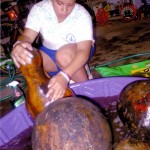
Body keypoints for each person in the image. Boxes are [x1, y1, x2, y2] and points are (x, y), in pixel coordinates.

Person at [11, 0, 95, 102]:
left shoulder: (81, 14)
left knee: (63, 55)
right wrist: (19, 44)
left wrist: (65, 76)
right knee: (27, 57)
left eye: (70, 5)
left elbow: (83, 51)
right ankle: (51, 94)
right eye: (59, 3)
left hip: (77, 51)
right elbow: (27, 36)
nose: (64, 10)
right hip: (50, 51)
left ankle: (88, 92)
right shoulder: (40, 9)